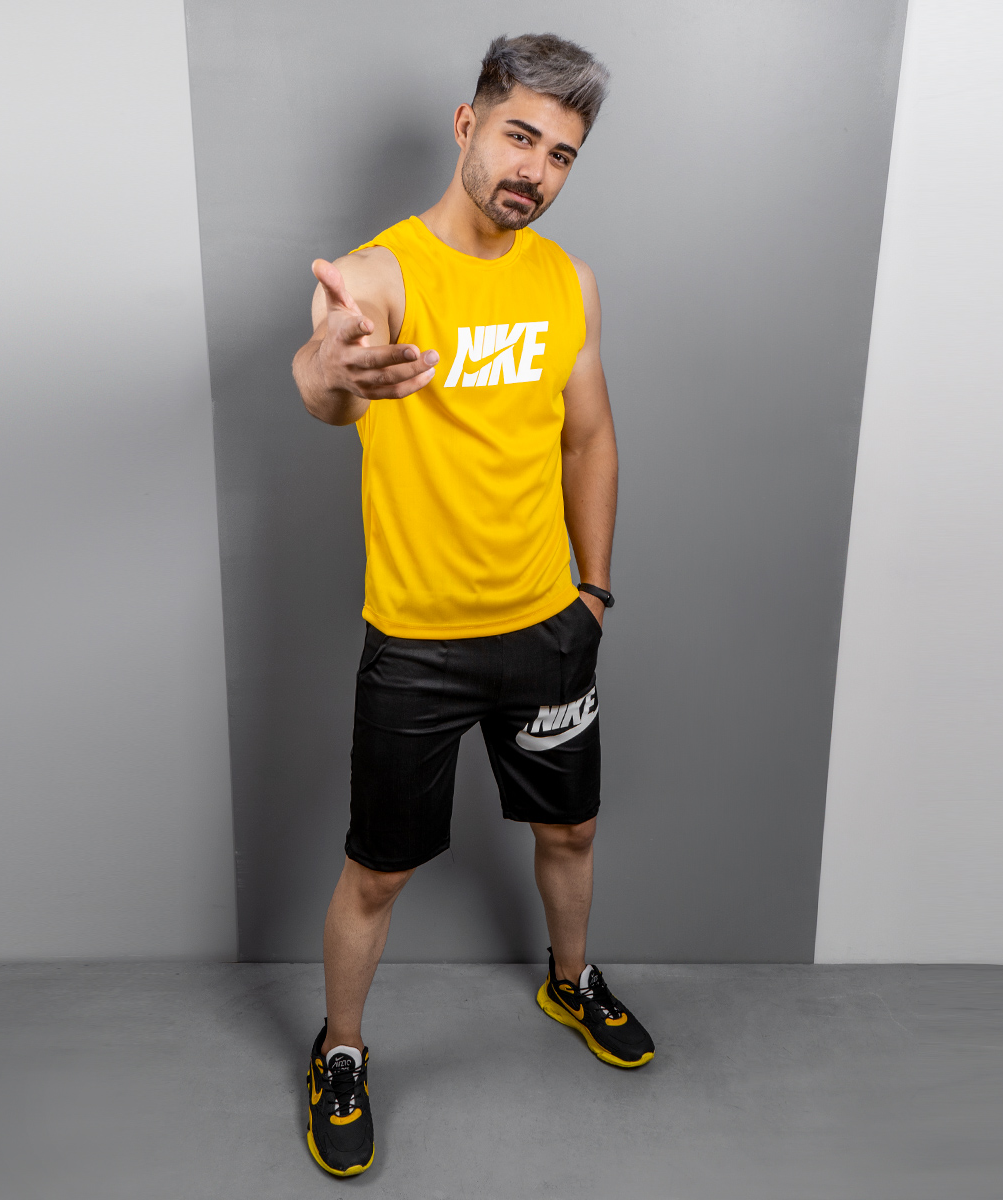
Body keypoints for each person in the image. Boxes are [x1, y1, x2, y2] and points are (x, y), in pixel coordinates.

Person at [291, 32, 653, 1178]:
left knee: (571, 830)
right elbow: (323, 376)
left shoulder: (567, 282)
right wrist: (338, 371)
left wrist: (594, 592)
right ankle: (341, 1051)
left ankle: (569, 981)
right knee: (378, 872)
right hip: (419, 645)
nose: (535, 170)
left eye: (562, 154)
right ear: (467, 125)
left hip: (548, 626)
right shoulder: (385, 274)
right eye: (519, 136)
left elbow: (589, 438)